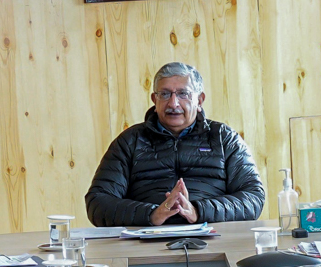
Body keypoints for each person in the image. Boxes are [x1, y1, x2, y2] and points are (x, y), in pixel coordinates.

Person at [85, 61, 265, 226]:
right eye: (164, 94)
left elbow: (253, 197)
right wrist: (151, 214)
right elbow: (98, 202)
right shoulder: (130, 141)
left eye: (183, 94)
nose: (173, 103)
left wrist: (198, 211)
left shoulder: (224, 138)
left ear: (199, 100)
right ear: (155, 101)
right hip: (145, 242)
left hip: (212, 237)